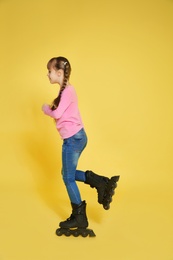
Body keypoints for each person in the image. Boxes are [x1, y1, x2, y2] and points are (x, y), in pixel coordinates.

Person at [42, 56, 119, 237]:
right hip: (76, 138)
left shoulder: (68, 90)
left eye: (49, 71)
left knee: (67, 178)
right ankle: (100, 182)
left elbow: (58, 113)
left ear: (59, 73)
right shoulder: (64, 91)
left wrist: (46, 109)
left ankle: (79, 217)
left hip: (73, 139)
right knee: (66, 173)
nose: (47, 74)